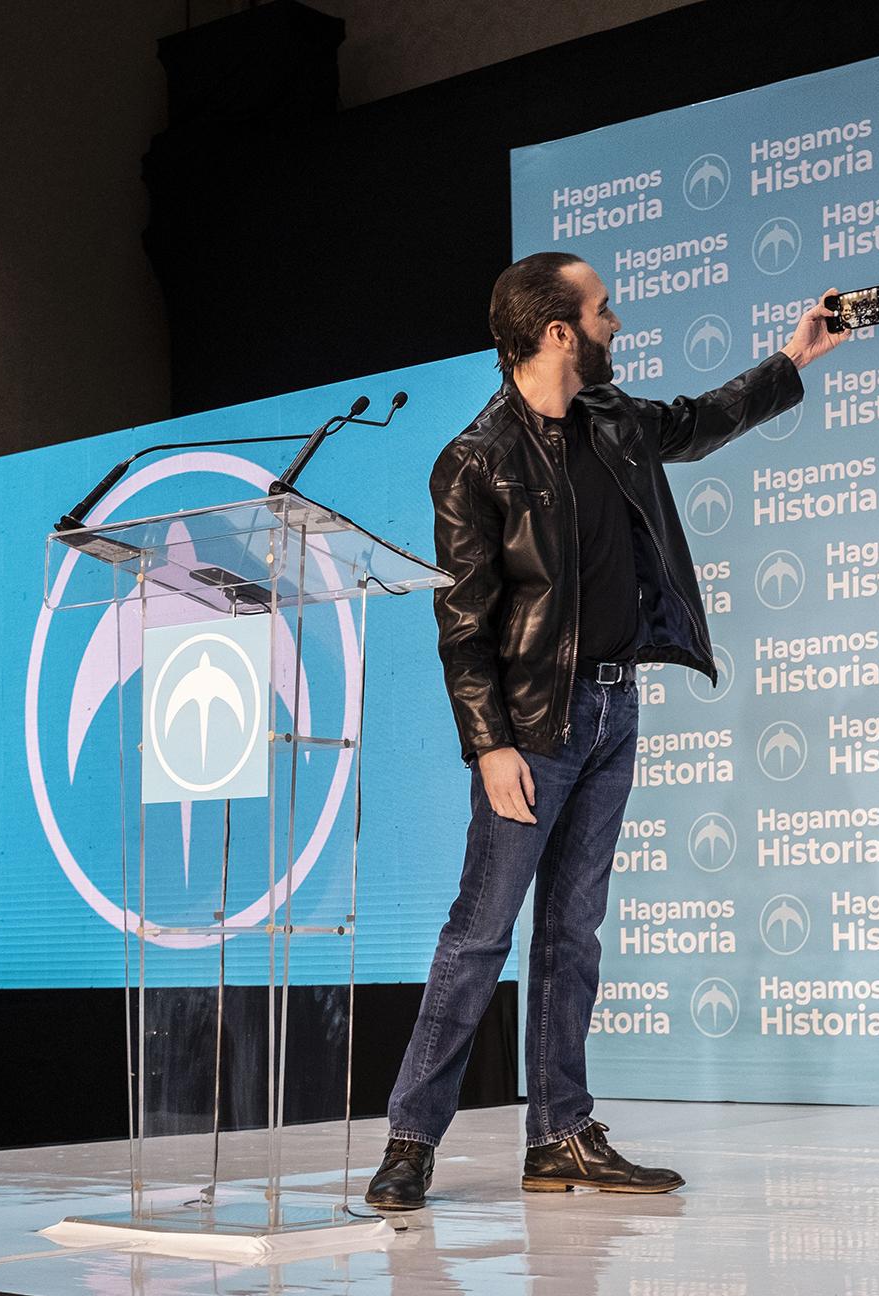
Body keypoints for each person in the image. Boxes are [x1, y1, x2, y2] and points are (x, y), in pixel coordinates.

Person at [365, 252, 852, 1209]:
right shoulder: (473, 462)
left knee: (573, 932)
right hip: (532, 730)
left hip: (612, 709)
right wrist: (489, 743)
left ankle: (559, 1134)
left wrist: (796, 356)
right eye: (602, 311)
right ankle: (411, 1139)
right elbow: (462, 626)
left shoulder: (613, 422)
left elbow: (701, 422)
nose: (615, 324)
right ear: (557, 333)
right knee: (479, 934)